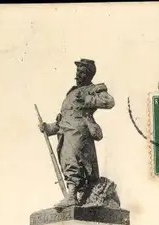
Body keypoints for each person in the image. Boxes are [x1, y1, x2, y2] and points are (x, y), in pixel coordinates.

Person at [39, 59, 115, 208]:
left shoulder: (92, 89)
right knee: (68, 161)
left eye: (82, 72)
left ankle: (72, 196)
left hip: (80, 133)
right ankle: (77, 196)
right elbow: (66, 118)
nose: (78, 75)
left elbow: (109, 102)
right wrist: (48, 128)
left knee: (74, 162)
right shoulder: (72, 93)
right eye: (77, 72)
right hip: (66, 134)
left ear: (89, 75)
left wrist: (87, 99)